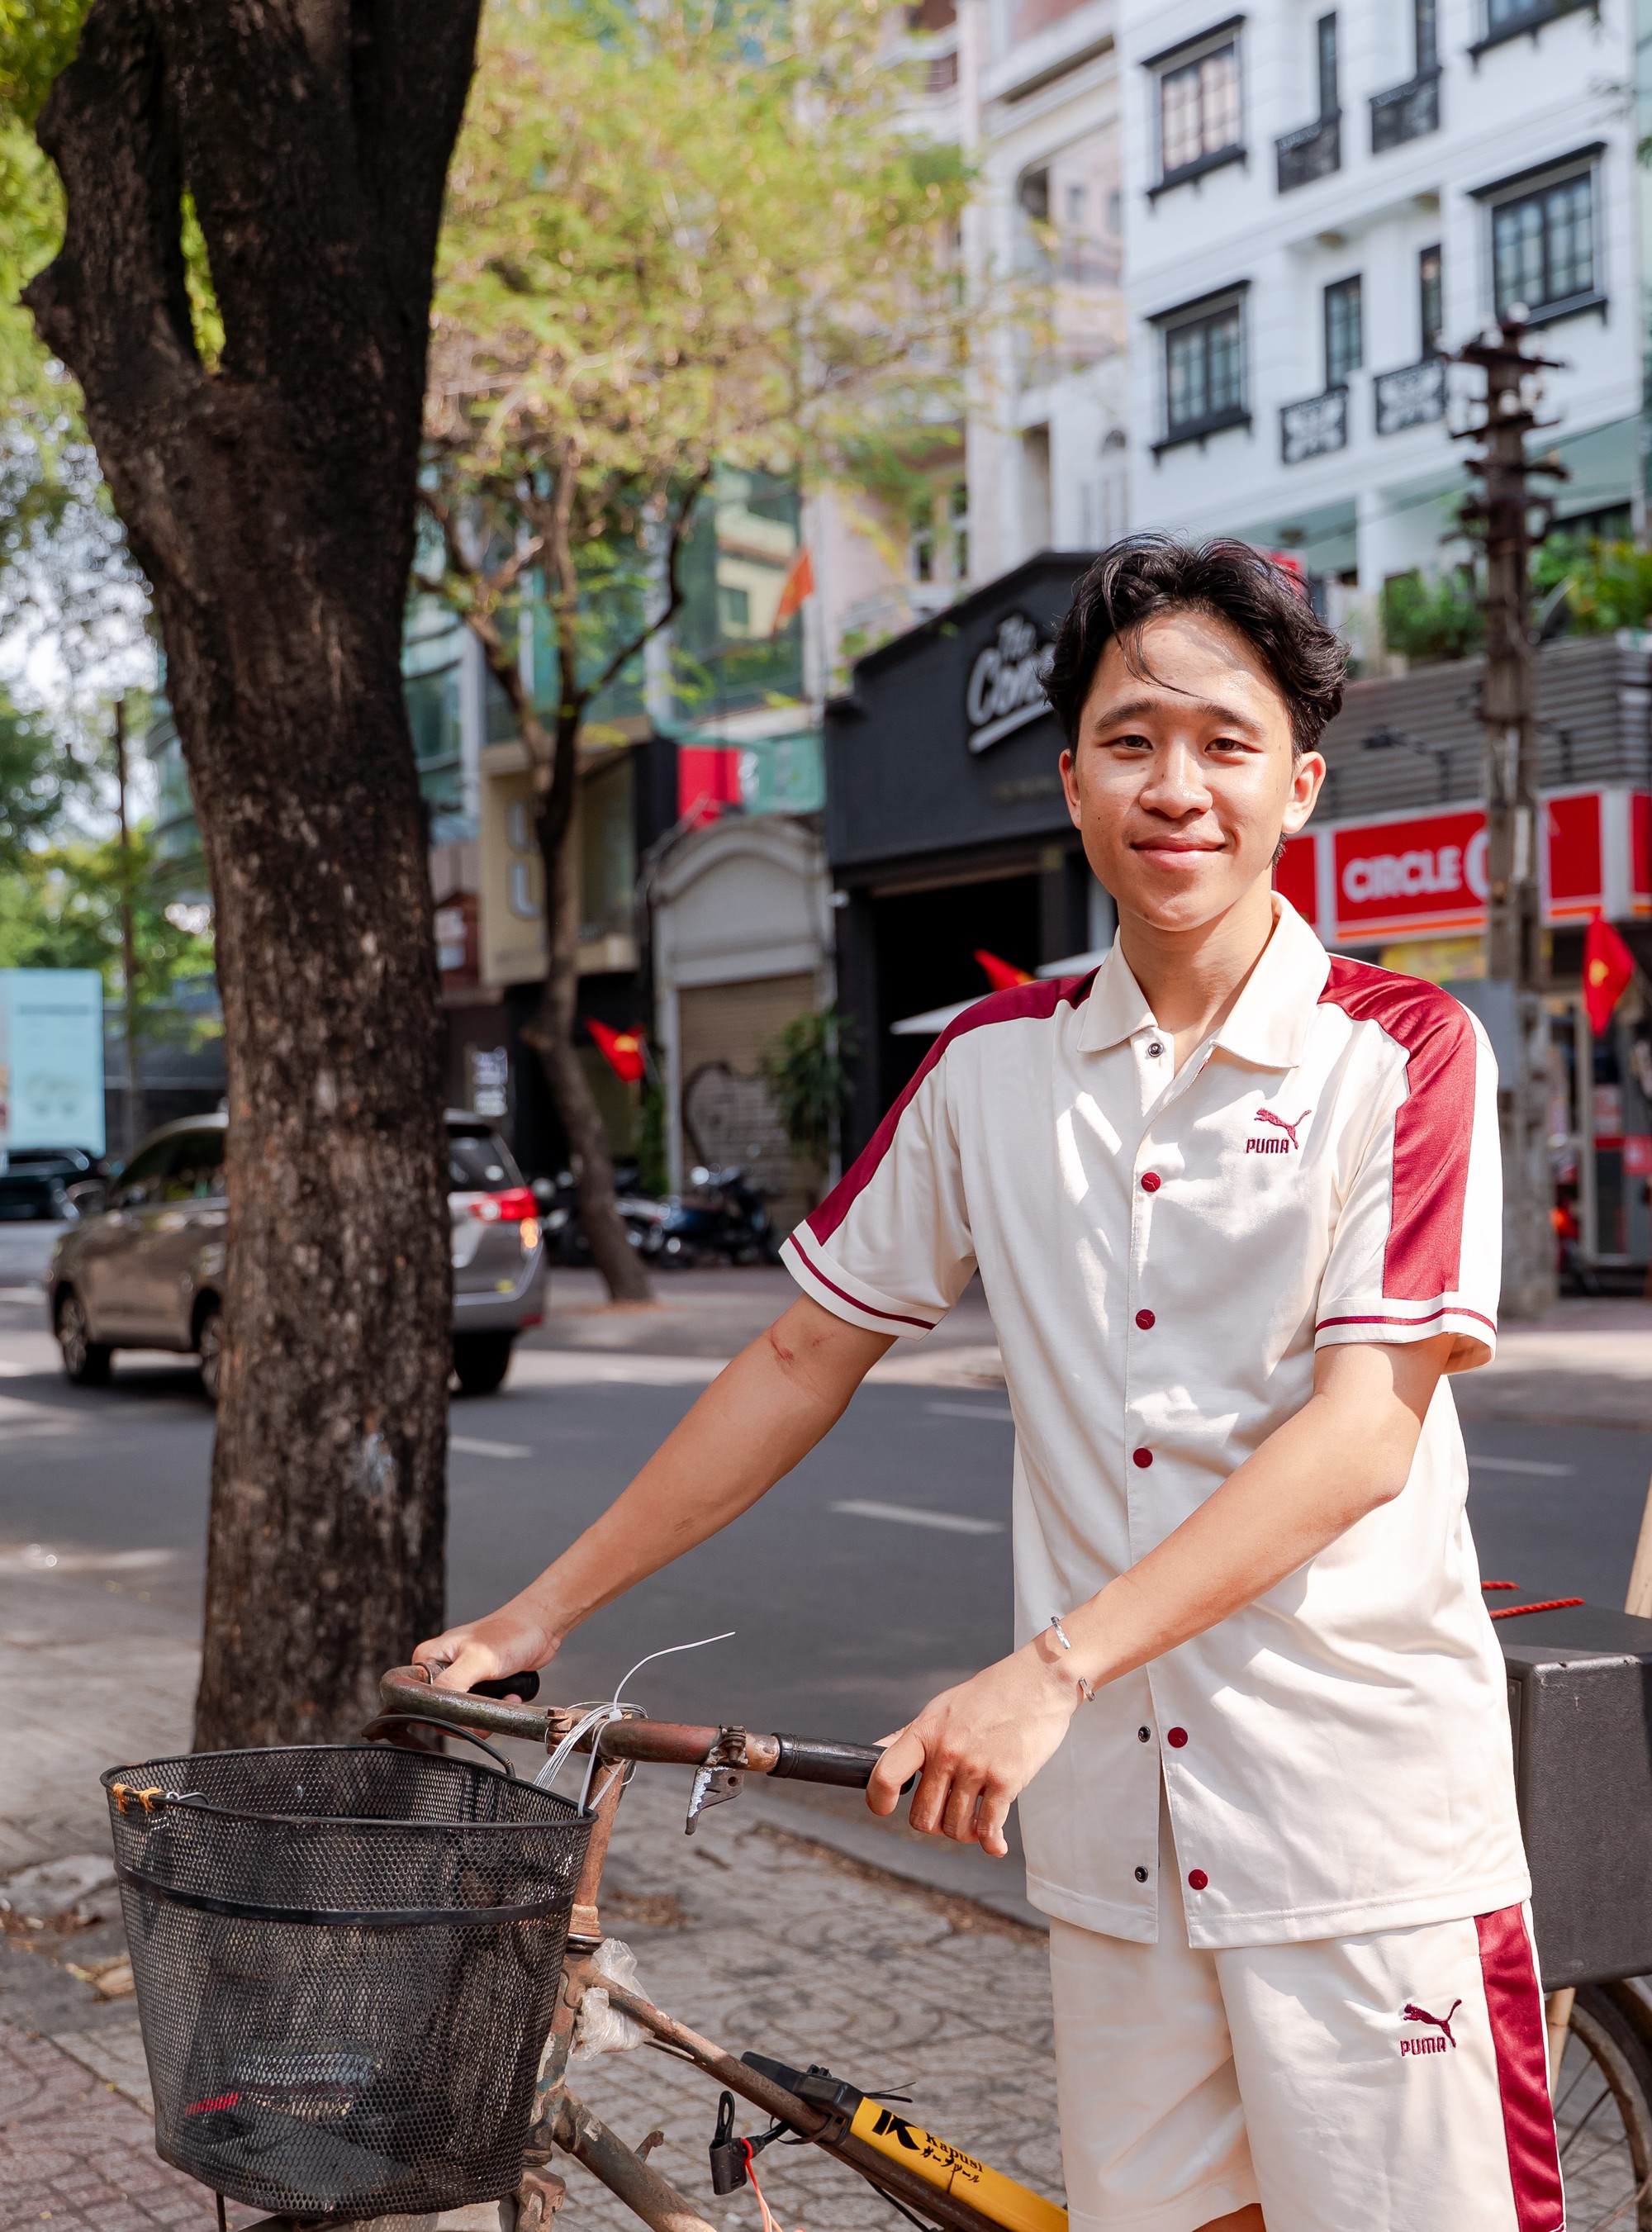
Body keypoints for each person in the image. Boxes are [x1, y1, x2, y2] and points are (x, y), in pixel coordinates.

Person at [415, 539, 1560, 2232]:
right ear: (1071, 777)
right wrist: (538, 1610)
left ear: (1298, 786)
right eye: (1130, 740)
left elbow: (1358, 1436)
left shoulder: (1396, 1052)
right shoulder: (988, 1067)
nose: (1177, 785)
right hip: (1113, 1842)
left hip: (1360, 1832)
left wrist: (1048, 1667)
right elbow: (804, 1353)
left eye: (1224, 744)